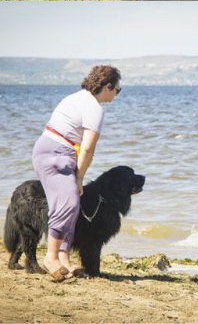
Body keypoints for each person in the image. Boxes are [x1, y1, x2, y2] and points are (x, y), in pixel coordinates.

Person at [31, 65, 121, 281]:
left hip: (47, 149)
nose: (117, 94)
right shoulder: (94, 109)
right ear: (108, 86)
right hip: (58, 153)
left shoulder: (77, 97)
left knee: (71, 206)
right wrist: (79, 178)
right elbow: (88, 149)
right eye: (118, 89)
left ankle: (64, 260)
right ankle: (51, 257)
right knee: (69, 203)